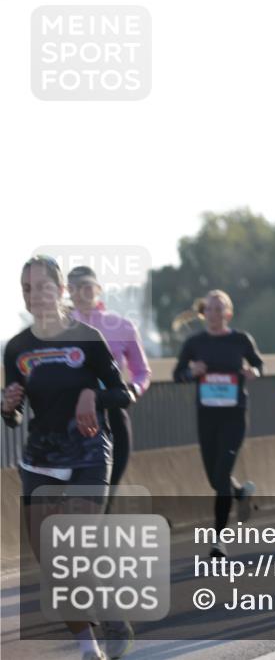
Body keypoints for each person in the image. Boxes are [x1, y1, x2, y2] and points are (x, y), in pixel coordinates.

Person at [3, 255, 134, 660]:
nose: (35, 295)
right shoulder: (18, 348)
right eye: (27, 288)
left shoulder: (87, 337)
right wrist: (8, 406)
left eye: (43, 287)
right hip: (41, 457)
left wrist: (94, 393)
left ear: (60, 292)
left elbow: (123, 393)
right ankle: (89, 647)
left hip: (89, 451)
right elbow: (15, 415)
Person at [173, 290, 263, 558]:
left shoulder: (240, 339)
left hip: (235, 415)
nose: (214, 313)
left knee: (221, 474)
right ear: (204, 314)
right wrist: (191, 372)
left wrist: (253, 371)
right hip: (207, 416)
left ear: (228, 313)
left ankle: (219, 540)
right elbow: (177, 374)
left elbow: (259, 364)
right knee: (215, 478)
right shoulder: (195, 343)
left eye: (219, 308)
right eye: (209, 309)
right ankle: (240, 492)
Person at [67, 266, 151, 492]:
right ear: (68, 292)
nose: (81, 293)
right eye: (74, 288)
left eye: (86, 286)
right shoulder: (59, 328)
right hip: (70, 416)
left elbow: (142, 371)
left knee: (108, 491)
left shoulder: (122, 326)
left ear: (98, 289)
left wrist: (134, 389)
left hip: (113, 412)